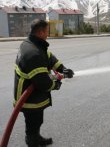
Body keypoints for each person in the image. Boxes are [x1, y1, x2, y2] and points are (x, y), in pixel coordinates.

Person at [14, 19, 74, 147]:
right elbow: (43, 83)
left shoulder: (35, 44)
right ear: (41, 32)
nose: (48, 34)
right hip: (28, 98)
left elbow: (49, 57)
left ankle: (36, 137)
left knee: (37, 120)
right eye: (47, 31)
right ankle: (32, 141)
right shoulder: (32, 53)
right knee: (33, 122)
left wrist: (62, 68)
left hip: (34, 95)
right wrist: (56, 84)